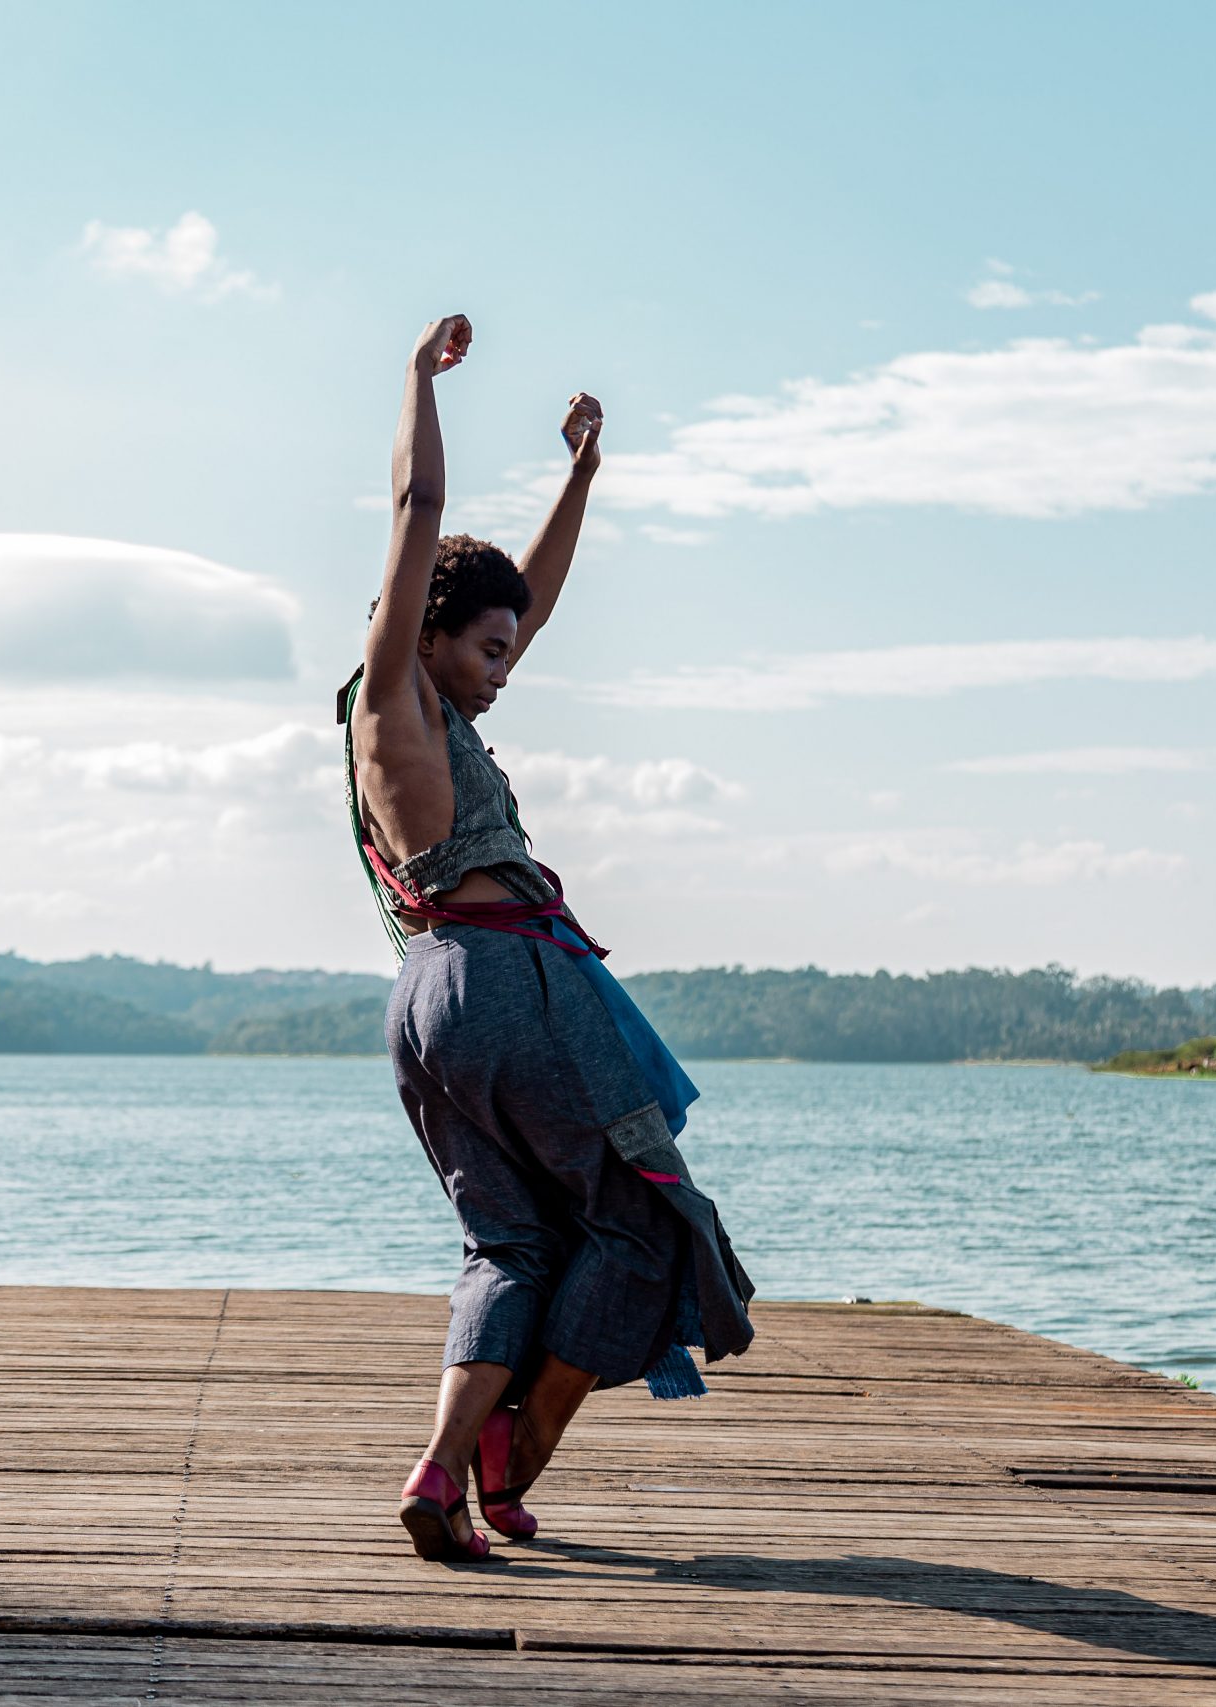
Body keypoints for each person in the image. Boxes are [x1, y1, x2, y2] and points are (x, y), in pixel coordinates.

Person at [338, 313, 755, 1562]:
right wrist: (417, 381)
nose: (506, 666)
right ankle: (516, 1449)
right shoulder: (398, 693)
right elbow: (418, 513)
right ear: (423, 633)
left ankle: (438, 1470)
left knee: (510, 1240)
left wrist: (580, 479)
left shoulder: (415, 714)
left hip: (429, 999)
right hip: (512, 977)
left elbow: (529, 594)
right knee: (642, 1215)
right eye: (488, 646)